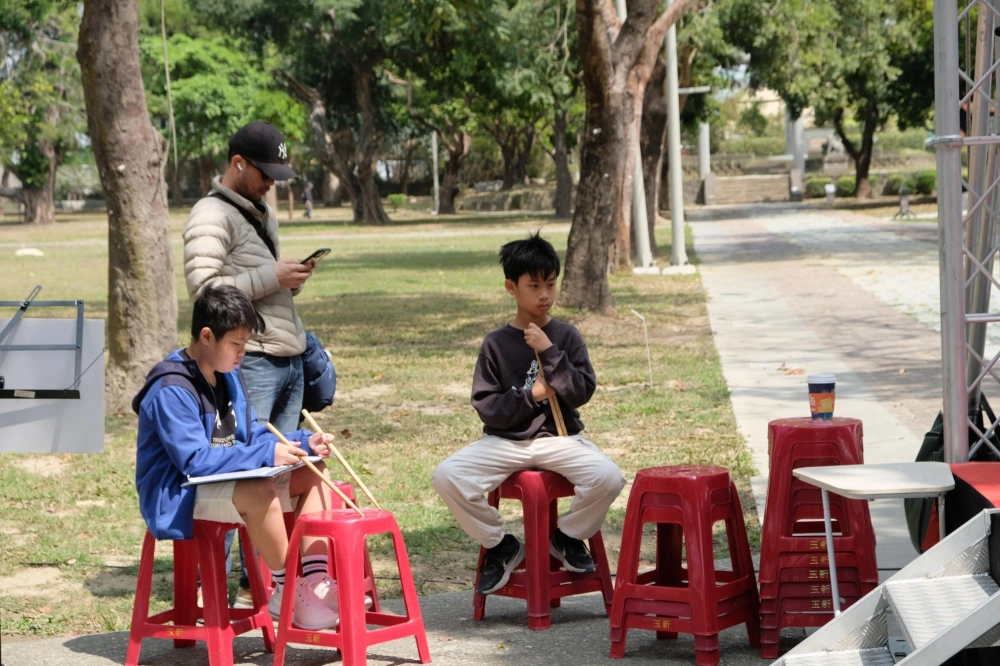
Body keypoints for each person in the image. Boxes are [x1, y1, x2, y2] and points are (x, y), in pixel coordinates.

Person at [133, 285, 341, 630]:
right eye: (236, 344)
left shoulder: (229, 373)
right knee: (258, 490)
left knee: (313, 470)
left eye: (246, 344)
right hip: (178, 492)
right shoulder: (172, 387)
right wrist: (266, 454)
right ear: (206, 336)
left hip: (221, 479)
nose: (243, 353)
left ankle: (316, 581)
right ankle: (287, 590)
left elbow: (250, 435)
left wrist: (302, 443)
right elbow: (195, 461)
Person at [431, 233, 627, 595]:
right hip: (505, 441)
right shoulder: (495, 344)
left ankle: (568, 537)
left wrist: (549, 350)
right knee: (447, 476)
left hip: (558, 439)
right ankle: (500, 545)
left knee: (609, 477)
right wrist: (533, 395)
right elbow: (488, 408)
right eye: (534, 286)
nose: (544, 295)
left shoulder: (566, 336)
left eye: (550, 284)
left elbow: (580, 393)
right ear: (512, 287)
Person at [183, 120, 314, 603]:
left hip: (285, 356)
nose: (271, 185)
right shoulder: (209, 214)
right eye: (265, 174)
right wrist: (271, 276)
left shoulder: (259, 210)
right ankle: (211, 588)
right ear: (238, 163)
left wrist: (286, 279)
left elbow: (255, 280)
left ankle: (261, 583)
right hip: (249, 360)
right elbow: (204, 293)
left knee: (277, 475)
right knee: (235, 470)